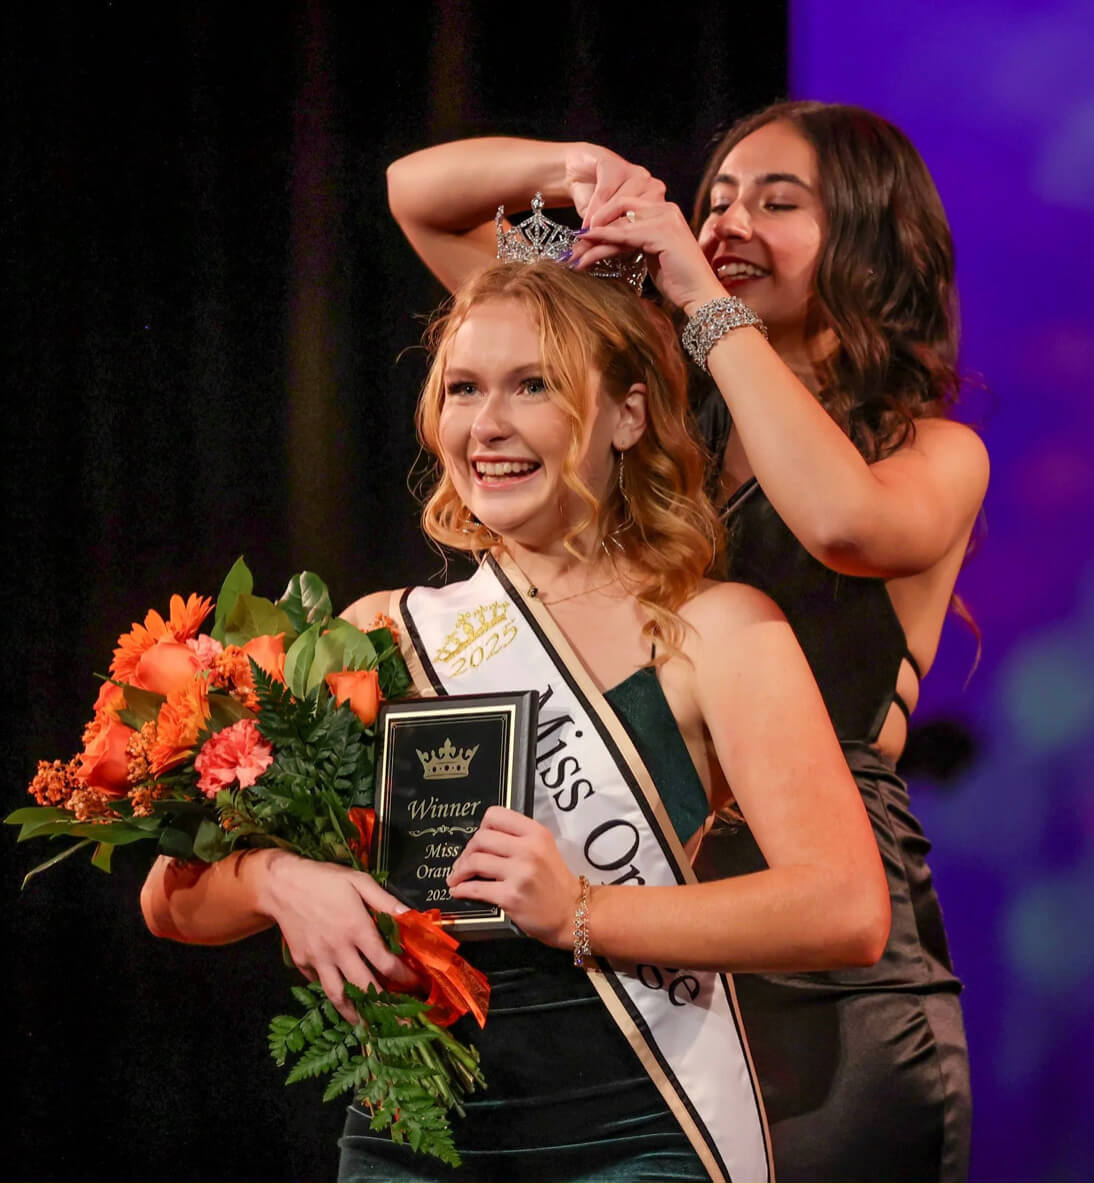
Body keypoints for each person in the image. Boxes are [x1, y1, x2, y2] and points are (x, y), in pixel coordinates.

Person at [140, 257, 890, 1183]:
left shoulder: (714, 632)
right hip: (411, 1140)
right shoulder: (380, 634)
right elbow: (168, 897)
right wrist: (281, 881)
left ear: (628, 414)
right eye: (463, 389)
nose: (486, 426)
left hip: (637, 1130)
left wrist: (584, 909)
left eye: (532, 385)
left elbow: (847, 909)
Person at [387, 100, 987, 1181]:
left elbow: (842, 524)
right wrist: (578, 167)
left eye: (777, 200)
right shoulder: (649, 418)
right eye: (713, 201)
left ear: (869, 229)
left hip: (828, 955)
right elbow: (417, 196)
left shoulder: (933, 452)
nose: (727, 221)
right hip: (639, 951)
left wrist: (700, 297)